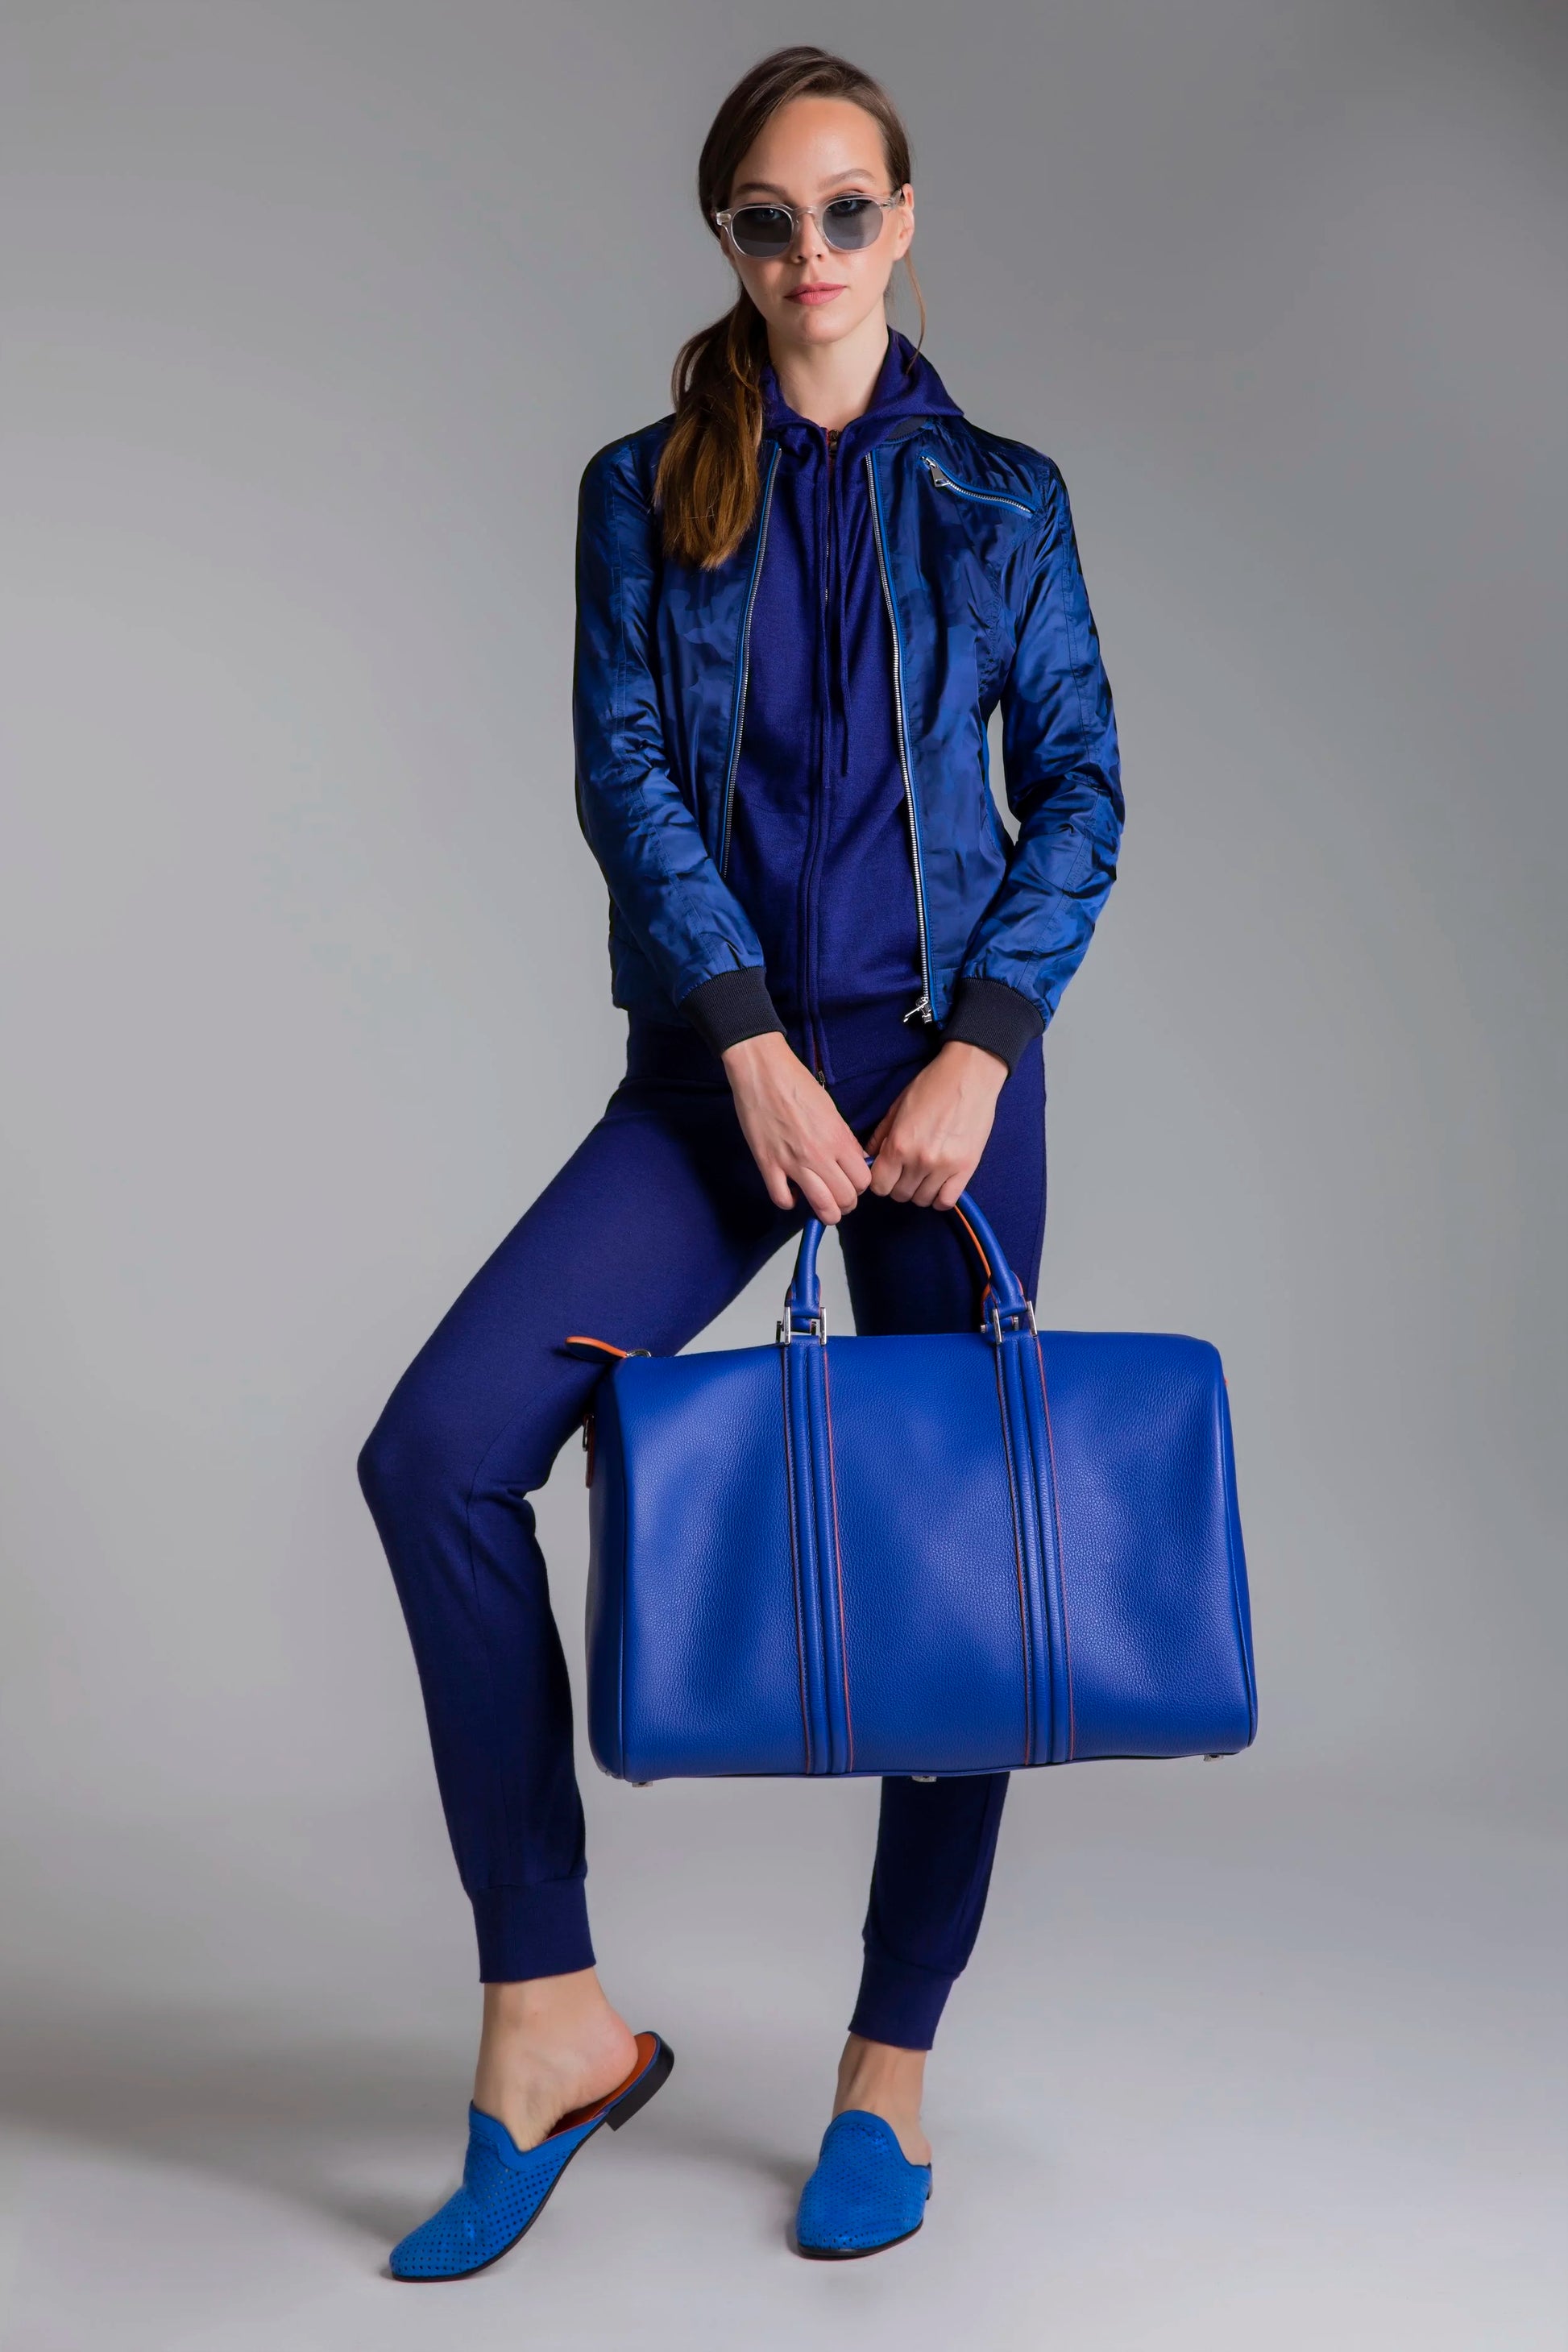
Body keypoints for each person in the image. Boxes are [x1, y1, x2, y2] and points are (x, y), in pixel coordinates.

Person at [358, 42, 1122, 2276]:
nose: (808, 254)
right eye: (766, 218)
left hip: (945, 1098)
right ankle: (549, 2019)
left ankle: (885, 2075)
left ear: (903, 221)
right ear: (724, 236)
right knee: (439, 1457)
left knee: (955, 1586)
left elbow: (1074, 787)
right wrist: (753, 1045)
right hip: (718, 1082)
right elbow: (628, 780)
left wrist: (974, 1053)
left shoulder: (1002, 493)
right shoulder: (640, 484)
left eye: (846, 210)